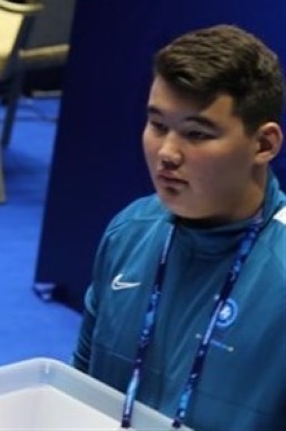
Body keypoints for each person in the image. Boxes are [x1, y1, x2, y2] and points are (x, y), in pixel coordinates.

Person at [73, 24, 286, 431]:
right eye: (158, 126)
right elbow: (80, 389)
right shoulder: (130, 231)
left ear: (263, 145)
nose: (167, 153)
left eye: (196, 134)